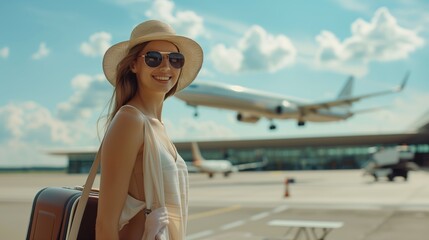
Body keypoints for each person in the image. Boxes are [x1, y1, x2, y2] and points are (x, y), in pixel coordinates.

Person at [95, 20, 203, 240]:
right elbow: (105, 226)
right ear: (134, 64)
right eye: (153, 58)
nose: (166, 67)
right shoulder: (130, 120)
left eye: (175, 59)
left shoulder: (157, 126)